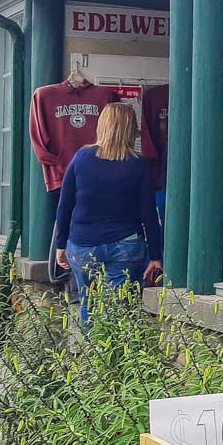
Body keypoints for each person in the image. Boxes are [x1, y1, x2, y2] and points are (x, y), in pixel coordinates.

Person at [55, 102, 163, 319]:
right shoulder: (138, 164)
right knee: (119, 305)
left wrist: (60, 245)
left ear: (101, 125)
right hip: (126, 243)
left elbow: (65, 205)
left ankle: (92, 350)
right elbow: (149, 214)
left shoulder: (81, 157)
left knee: (88, 300)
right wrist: (155, 256)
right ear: (131, 129)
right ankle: (115, 350)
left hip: (83, 243)